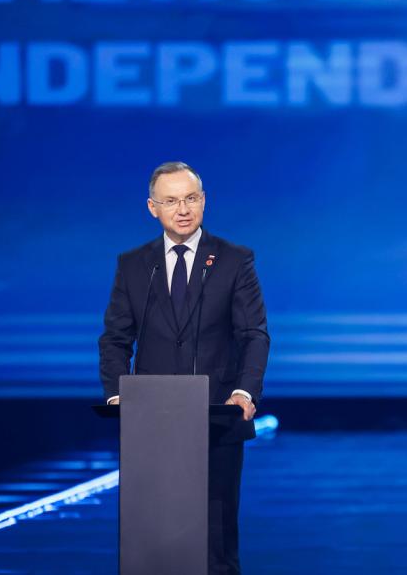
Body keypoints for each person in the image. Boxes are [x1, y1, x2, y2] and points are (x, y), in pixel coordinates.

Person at [98, 161, 271, 575]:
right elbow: (115, 339)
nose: (183, 209)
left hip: (217, 417)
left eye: (191, 198)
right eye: (171, 201)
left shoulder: (234, 260)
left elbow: (254, 335)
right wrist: (118, 394)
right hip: (151, 421)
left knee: (215, 546)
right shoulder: (134, 265)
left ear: (204, 201)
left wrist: (244, 393)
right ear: (152, 208)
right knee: (153, 544)